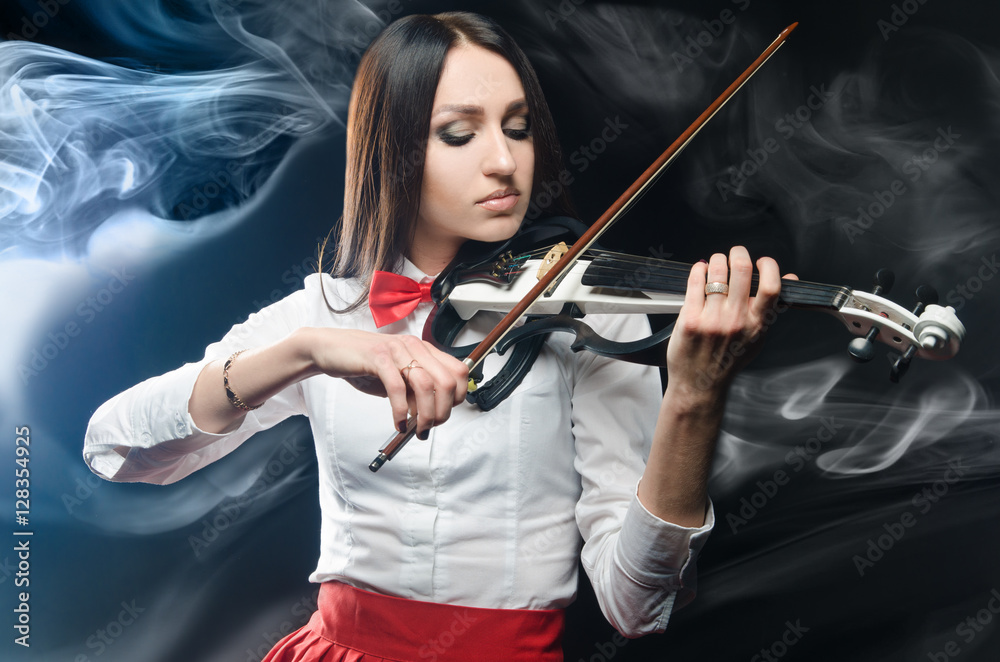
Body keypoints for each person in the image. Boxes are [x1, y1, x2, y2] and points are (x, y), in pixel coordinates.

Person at [83, 11, 790, 661]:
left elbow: (637, 605)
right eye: (460, 133)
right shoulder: (327, 311)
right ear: (394, 153)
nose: (505, 162)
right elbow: (112, 448)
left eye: (516, 127)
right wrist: (304, 353)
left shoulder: (589, 312)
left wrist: (694, 397)